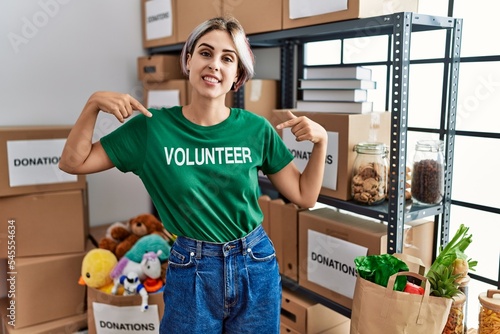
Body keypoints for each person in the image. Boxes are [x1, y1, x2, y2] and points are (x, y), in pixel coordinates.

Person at [59, 16, 327, 334]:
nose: (214, 64)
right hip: (192, 269)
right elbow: (73, 162)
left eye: (227, 58)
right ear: (188, 60)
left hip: (255, 265)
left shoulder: (256, 129)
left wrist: (321, 141)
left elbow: (304, 195)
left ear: (237, 75)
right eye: (205, 52)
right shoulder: (151, 128)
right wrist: (92, 106)